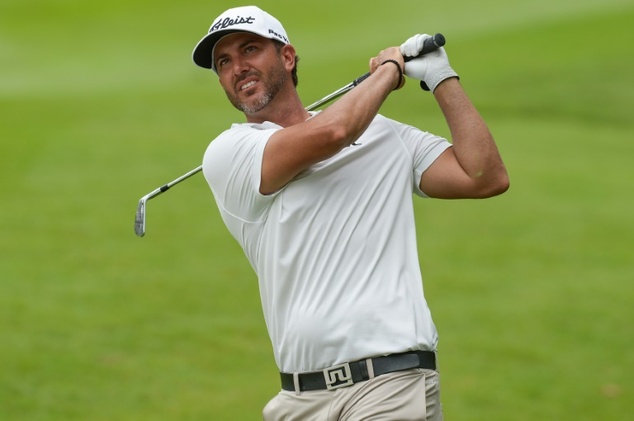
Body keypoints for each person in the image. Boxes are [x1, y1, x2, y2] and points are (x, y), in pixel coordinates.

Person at [192, 5, 508, 421]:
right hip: (299, 397)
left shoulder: (385, 135)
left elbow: (483, 176)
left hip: (390, 384)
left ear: (287, 57)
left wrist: (440, 78)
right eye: (224, 62)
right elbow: (333, 133)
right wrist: (388, 72)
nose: (237, 67)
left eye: (250, 49)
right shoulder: (229, 153)